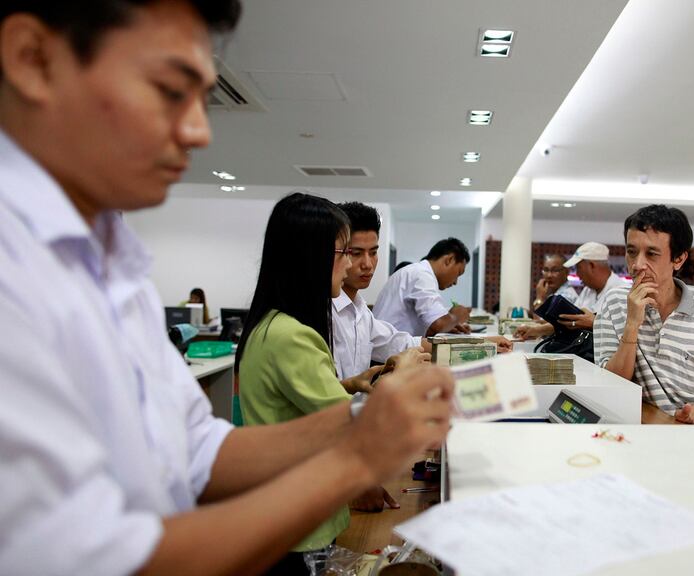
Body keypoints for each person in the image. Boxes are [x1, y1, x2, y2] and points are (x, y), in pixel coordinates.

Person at [0, 3, 454, 575]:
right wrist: (357, 455)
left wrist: (373, 422)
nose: (198, 129)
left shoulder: (112, 265)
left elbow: (198, 452)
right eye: (169, 89)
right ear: (33, 59)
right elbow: (96, 560)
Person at [236, 193, 413, 570]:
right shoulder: (291, 336)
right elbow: (352, 427)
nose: (353, 265)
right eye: (344, 253)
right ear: (311, 256)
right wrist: (408, 380)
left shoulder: (276, 325)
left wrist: (346, 386)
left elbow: (303, 406)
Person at [594, 205, 694, 432]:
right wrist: (632, 325)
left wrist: (693, 414)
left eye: (651, 254)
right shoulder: (614, 302)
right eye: (631, 252)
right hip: (656, 431)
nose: (638, 264)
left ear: (678, 259)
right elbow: (612, 385)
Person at [332, 202, 430, 380]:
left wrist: (479, 344)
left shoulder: (360, 310)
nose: (367, 264)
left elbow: (402, 342)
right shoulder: (321, 313)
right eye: (356, 253)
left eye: (373, 252)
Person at [373, 238, 473, 337]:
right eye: (458, 273)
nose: (456, 282)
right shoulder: (422, 275)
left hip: (388, 343)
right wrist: (456, 316)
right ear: (449, 260)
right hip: (389, 350)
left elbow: (408, 326)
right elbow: (438, 324)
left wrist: (449, 326)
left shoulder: (417, 271)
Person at [556, 242, 626, 331]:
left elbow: (625, 331)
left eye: (578, 268)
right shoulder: (587, 290)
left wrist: (594, 323)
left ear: (592, 265)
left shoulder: (621, 291)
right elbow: (573, 318)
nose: (577, 274)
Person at [514, 253, 579, 341]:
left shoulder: (566, 295)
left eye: (555, 270)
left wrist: (539, 298)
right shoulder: (554, 293)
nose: (549, 275)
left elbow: (548, 325)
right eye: (546, 270)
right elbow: (541, 322)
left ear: (566, 272)